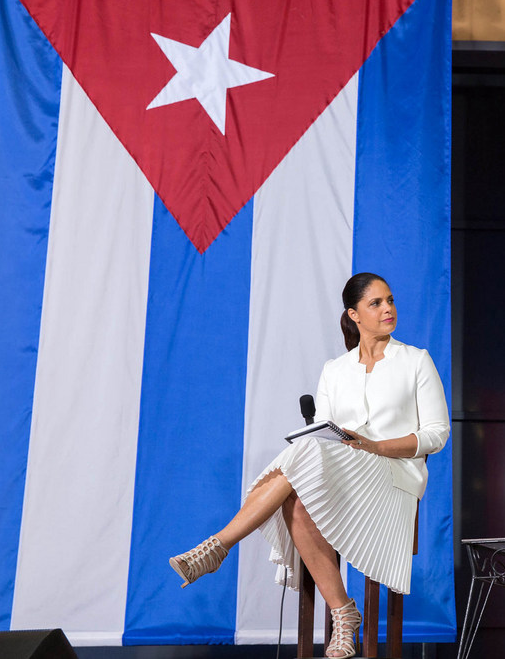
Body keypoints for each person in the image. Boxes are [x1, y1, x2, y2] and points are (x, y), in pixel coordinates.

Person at [169, 272, 450, 659]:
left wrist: (376, 445)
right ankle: (344, 613)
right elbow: (325, 435)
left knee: (303, 456)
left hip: (393, 479)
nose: (388, 309)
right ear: (354, 314)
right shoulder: (335, 369)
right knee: (298, 491)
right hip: (345, 478)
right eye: (376, 303)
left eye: (390, 300)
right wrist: (345, 442)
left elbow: (436, 434)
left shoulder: (416, 361)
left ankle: (220, 545)